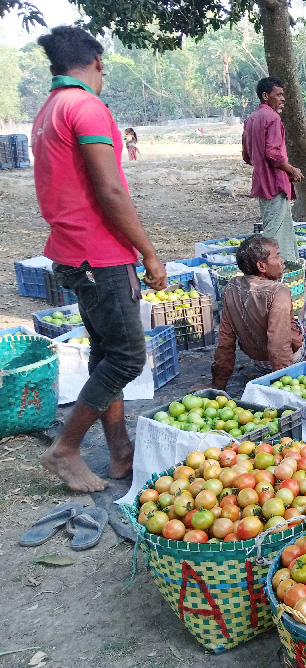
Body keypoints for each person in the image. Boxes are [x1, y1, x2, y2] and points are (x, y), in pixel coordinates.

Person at [32, 26, 168, 492]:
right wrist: (149, 252)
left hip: (72, 252)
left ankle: (119, 452)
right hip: (99, 253)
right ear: (95, 64)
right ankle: (66, 449)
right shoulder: (86, 107)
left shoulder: (49, 110)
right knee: (128, 357)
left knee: (107, 352)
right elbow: (110, 190)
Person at [212, 235, 306, 389]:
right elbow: (279, 344)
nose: (282, 260)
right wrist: (286, 385)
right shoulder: (278, 291)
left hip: (260, 364)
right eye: (277, 256)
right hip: (292, 362)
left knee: (295, 320)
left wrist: (218, 384)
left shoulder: (231, 287)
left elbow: (225, 342)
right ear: (261, 266)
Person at [242, 77, 303, 264]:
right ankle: (269, 267)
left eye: (283, 95)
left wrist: (261, 166)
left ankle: (285, 264)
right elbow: (274, 154)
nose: (283, 98)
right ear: (265, 96)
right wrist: (292, 170)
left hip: (262, 182)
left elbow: (247, 156)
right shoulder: (273, 118)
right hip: (275, 183)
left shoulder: (251, 120)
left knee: (276, 224)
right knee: (275, 230)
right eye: (279, 94)